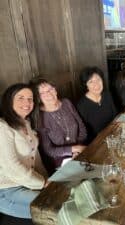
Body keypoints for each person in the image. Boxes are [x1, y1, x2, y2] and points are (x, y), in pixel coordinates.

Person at [0, 83, 48, 219]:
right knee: (53, 206)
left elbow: (36, 157)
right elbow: (11, 167)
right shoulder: (2, 127)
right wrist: (42, 183)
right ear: (9, 101)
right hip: (7, 190)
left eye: (30, 98)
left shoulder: (25, 123)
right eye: (20, 98)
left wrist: (47, 179)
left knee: (62, 195)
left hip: (28, 183)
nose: (27, 102)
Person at [30, 78, 87, 175]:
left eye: (50, 89)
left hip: (82, 151)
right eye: (42, 93)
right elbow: (49, 150)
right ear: (38, 98)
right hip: (60, 163)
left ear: (55, 90)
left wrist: (78, 149)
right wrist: (75, 149)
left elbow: (82, 127)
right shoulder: (39, 117)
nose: (48, 93)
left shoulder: (66, 103)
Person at [77, 66, 117, 143]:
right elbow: (84, 134)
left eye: (98, 79)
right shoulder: (82, 105)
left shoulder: (107, 95)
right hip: (96, 142)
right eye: (91, 82)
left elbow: (115, 117)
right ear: (86, 85)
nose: (96, 84)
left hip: (113, 136)